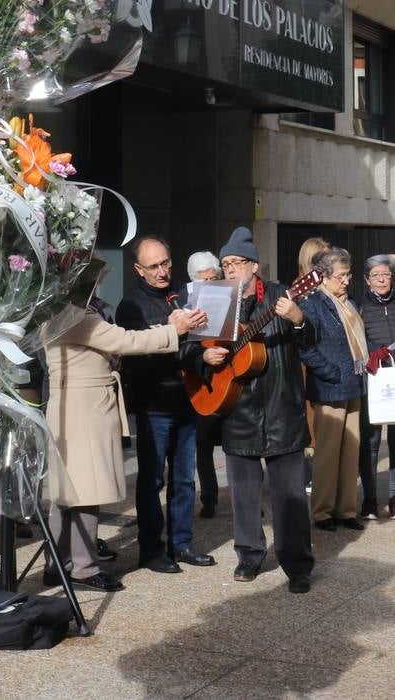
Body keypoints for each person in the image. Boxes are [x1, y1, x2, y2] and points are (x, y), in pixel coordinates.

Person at [42, 299, 206, 592]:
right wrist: (173, 329)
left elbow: (115, 335)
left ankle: (58, 563)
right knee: (86, 490)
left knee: (67, 492)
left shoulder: (63, 310)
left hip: (76, 404)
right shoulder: (74, 313)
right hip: (84, 407)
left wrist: (167, 326)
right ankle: (83, 568)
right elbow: (123, 340)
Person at [208, 226, 317, 594]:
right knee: (243, 493)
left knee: (290, 495)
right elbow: (194, 347)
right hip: (237, 407)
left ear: (254, 266)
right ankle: (249, 555)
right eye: (226, 264)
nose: (231, 270)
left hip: (281, 409)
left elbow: (311, 340)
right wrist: (205, 354)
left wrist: (298, 318)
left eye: (237, 263)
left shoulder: (281, 295)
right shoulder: (216, 300)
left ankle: (298, 565)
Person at [116, 235, 216, 574]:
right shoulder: (131, 306)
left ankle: (182, 543)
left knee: (185, 479)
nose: (162, 271)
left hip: (186, 398)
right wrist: (170, 331)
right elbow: (136, 358)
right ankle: (151, 549)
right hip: (153, 405)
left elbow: (191, 346)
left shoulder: (182, 296)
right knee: (152, 481)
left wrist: (204, 351)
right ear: (138, 269)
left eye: (166, 263)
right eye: (154, 266)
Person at [298, 247, 367, 533]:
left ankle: (346, 509)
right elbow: (305, 347)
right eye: (341, 275)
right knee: (327, 454)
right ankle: (324, 511)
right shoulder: (313, 303)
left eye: (349, 275)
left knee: (351, 451)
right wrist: (330, 372)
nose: (347, 280)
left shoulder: (346, 302)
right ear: (323, 277)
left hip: (353, 384)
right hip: (329, 387)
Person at [185, 250, 223, 519]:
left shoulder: (227, 295)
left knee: (235, 443)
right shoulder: (183, 303)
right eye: (204, 280)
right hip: (200, 381)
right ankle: (208, 498)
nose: (210, 284)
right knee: (203, 444)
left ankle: (249, 501)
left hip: (227, 376)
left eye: (214, 278)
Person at [359, 254, 395, 519]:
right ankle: (370, 500)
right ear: (367, 280)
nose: (381, 279)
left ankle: (394, 497)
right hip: (372, 379)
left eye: (386, 274)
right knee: (370, 442)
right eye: (376, 275)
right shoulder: (359, 306)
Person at [298, 237, 331, 494]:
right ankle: (309, 475)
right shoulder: (300, 289)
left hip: (326, 361)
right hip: (306, 367)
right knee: (310, 422)